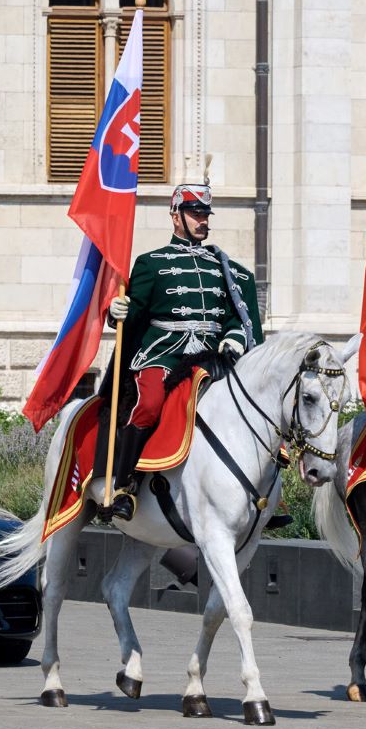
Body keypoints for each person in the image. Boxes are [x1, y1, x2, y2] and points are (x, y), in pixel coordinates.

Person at [103, 183, 263, 521]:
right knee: (148, 404)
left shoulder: (227, 269)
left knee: (250, 405)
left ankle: (260, 495)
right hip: (163, 351)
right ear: (176, 216)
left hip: (210, 353)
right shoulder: (152, 264)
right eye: (195, 213)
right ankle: (125, 485)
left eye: (206, 214)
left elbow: (239, 316)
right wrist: (115, 311)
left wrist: (234, 337)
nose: (203, 220)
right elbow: (134, 316)